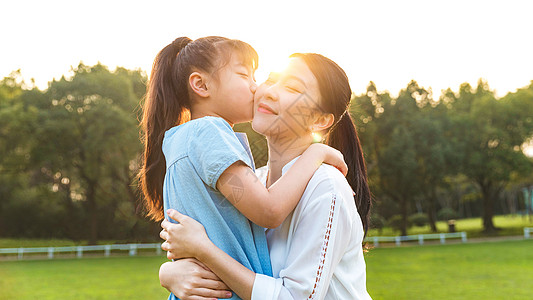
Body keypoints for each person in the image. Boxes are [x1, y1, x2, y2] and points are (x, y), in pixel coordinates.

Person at [138, 37, 348, 300]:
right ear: (201, 85)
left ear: (321, 120)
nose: (257, 87)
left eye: (255, 77)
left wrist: (185, 262)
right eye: (244, 75)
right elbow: (269, 211)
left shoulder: (326, 187)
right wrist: (316, 152)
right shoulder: (209, 132)